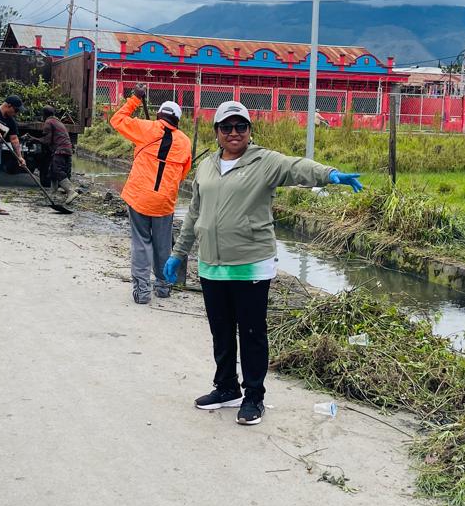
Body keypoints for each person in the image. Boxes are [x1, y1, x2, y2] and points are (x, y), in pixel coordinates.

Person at [163, 101, 362, 426]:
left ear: (249, 131)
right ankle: (226, 387)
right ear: (217, 133)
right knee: (221, 331)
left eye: (240, 126)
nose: (234, 133)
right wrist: (178, 253)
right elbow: (194, 213)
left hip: (251, 264)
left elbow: (296, 167)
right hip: (212, 264)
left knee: (252, 332)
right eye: (226, 127)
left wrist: (330, 175)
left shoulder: (263, 161)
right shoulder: (206, 167)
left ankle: (253, 396)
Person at [109, 86, 191, 304]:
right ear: (177, 121)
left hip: (139, 197)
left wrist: (135, 99)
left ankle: (142, 291)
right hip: (165, 202)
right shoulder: (185, 141)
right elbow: (183, 173)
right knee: (163, 245)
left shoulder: (146, 128)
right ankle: (163, 288)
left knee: (141, 242)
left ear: (159, 115)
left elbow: (117, 119)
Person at [29, 106, 77, 205]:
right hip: (67, 149)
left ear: (44, 115)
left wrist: (33, 139)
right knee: (52, 172)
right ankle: (53, 195)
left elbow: (47, 141)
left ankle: (70, 191)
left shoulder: (48, 122)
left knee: (56, 170)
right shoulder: (58, 122)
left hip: (60, 150)